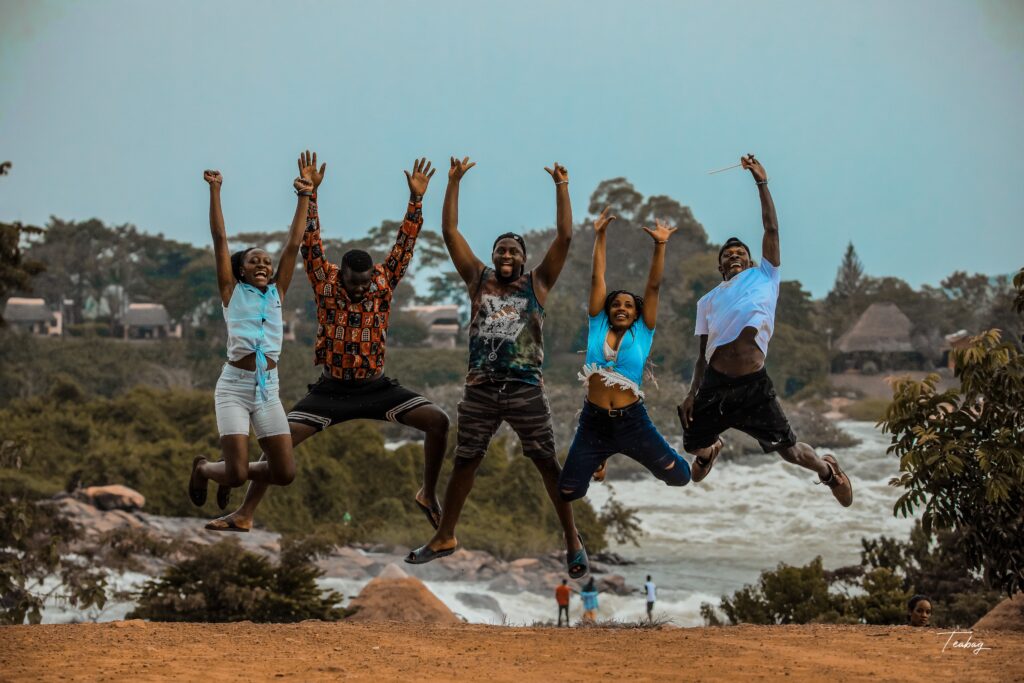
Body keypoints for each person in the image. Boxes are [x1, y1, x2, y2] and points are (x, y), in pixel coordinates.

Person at [205, 153, 450, 532]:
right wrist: (311, 194)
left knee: (438, 421)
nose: (359, 288)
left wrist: (416, 200)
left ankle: (427, 493)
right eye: (353, 282)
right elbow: (307, 242)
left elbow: (405, 243)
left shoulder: (384, 281)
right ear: (342, 274)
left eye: (365, 282)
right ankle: (244, 510)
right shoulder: (326, 280)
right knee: (275, 449)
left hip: (376, 387)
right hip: (331, 391)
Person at [405, 156, 587, 578]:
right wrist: (453, 182)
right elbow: (450, 232)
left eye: (514, 251)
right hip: (481, 388)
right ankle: (445, 535)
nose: (507, 255)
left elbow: (564, 235)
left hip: (525, 388)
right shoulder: (477, 279)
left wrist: (562, 185)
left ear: (524, 259)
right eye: (501, 250)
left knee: (546, 462)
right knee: (465, 461)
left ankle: (572, 539)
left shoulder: (537, 283)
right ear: (493, 256)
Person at [678, 154, 853, 507]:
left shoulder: (765, 276)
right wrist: (692, 392)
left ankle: (828, 472)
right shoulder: (708, 301)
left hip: (753, 385)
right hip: (715, 383)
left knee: (789, 452)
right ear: (719, 266)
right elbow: (701, 355)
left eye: (740, 252)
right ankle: (710, 451)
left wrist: (761, 183)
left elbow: (771, 230)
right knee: (691, 444)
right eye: (727, 255)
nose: (734, 256)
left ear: (752, 259)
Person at [188, 166, 312, 507]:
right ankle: (204, 469)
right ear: (241, 269)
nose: (264, 266)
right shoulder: (231, 291)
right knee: (236, 474)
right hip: (234, 388)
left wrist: (305, 195)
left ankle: (229, 470)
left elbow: (293, 245)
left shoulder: (276, 292)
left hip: (268, 389)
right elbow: (220, 239)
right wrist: (215, 190)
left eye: (267, 263)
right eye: (255, 261)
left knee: (285, 473)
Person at [557, 209, 691, 500]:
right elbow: (597, 277)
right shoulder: (597, 323)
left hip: (633, 422)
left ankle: (704, 451)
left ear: (636, 313)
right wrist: (600, 235)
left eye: (629, 305)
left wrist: (660, 245)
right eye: (616, 303)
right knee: (568, 491)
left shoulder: (643, 331)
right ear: (608, 310)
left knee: (680, 476)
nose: (622, 307)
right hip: (594, 423)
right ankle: (600, 457)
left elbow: (653, 286)